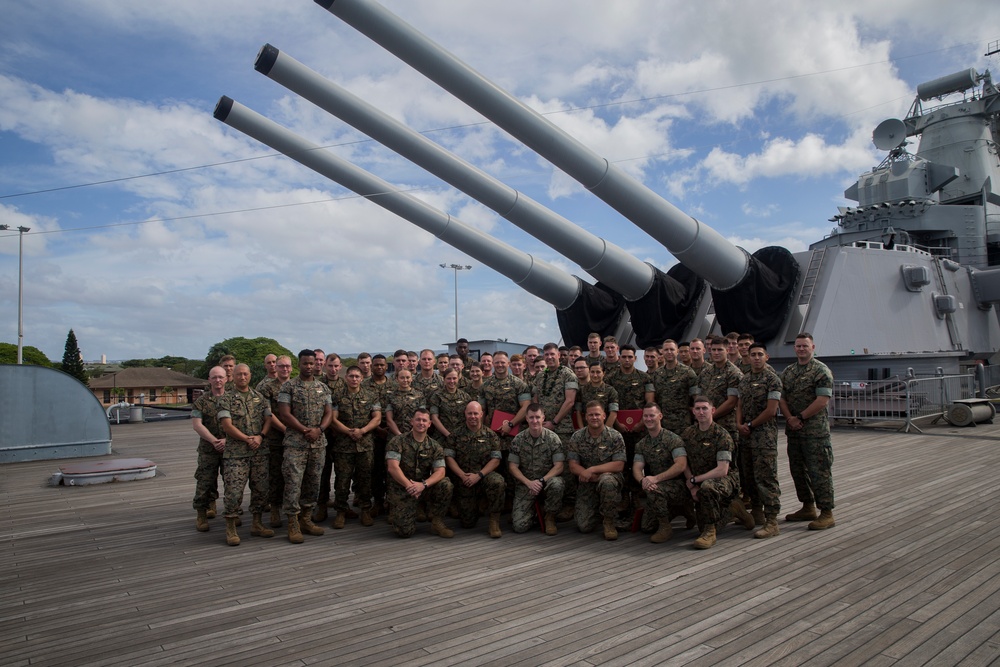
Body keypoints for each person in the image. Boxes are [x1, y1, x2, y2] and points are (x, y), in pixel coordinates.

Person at [779, 333, 836, 530]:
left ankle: (826, 512)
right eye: (798, 346)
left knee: (819, 472)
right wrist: (789, 418)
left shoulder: (821, 371)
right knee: (798, 471)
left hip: (814, 432)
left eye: (805, 346)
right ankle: (807, 506)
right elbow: (782, 398)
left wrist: (800, 417)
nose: (801, 349)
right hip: (794, 431)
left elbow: (822, 401)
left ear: (813, 347)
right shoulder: (788, 372)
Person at [276, 349, 333, 543]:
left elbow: (329, 412)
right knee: (293, 483)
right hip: (295, 444)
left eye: (312, 363)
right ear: (299, 364)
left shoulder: (323, 388)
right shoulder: (288, 387)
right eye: (305, 363)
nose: (309, 366)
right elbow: (284, 413)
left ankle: (306, 518)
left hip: (318, 444)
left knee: (313, 482)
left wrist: (320, 429)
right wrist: (304, 430)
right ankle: (293, 522)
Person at [682, 396, 754, 549]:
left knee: (707, 487)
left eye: (705, 408)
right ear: (693, 412)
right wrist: (691, 483)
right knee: (699, 518)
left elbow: (722, 470)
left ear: (712, 410)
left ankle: (710, 531)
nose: (701, 412)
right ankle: (733, 510)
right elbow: (684, 463)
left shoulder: (722, 435)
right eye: (698, 409)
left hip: (725, 479)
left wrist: (696, 481)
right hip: (698, 480)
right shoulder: (688, 434)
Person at [218, 364, 273, 546]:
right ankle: (231, 527)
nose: (242, 377)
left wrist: (260, 436)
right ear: (232, 376)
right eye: (239, 374)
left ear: (250, 376)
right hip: (236, 453)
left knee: (261, 490)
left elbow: (268, 419)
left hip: (259, 450)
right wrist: (247, 439)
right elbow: (227, 425)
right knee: (234, 491)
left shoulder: (260, 397)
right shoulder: (226, 399)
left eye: (245, 374)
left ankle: (257, 524)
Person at [736, 342, 783, 538]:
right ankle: (757, 512)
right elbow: (739, 405)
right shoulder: (744, 380)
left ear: (766, 357)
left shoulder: (772, 380)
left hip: (764, 437)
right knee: (749, 476)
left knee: (766, 478)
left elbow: (771, 410)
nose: (756, 357)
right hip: (746, 436)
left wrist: (751, 425)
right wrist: (739, 424)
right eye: (753, 354)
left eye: (759, 354)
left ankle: (772, 520)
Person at [385, 409, 455, 538]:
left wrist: (423, 485)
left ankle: (437, 522)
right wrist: (410, 486)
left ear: (430, 424)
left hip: (423, 487)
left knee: (446, 484)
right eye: (418, 419)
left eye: (424, 420)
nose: (421, 423)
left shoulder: (435, 446)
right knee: (404, 532)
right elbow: (392, 468)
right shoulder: (397, 441)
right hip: (402, 489)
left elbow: (440, 471)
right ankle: (410, 510)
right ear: (412, 422)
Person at [329, 365, 381, 528]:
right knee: (342, 480)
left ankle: (365, 510)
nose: (354, 379)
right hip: (343, 446)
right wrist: (349, 432)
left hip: (365, 445)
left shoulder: (371, 395)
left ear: (361, 378)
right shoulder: (337, 396)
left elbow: (377, 418)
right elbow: (333, 418)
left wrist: (362, 431)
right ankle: (341, 511)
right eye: (351, 376)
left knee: (365, 479)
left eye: (357, 376)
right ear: (346, 378)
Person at [444, 401, 505, 537]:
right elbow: (449, 458)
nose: (473, 416)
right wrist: (462, 475)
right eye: (470, 413)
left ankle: (494, 521)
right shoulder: (455, 435)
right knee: (467, 523)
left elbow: (496, 460)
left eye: (476, 413)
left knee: (498, 482)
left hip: (483, 476)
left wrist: (479, 475)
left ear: (481, 414)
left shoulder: (490, 435)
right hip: (464, 479)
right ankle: (478, 505)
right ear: (465, 414)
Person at [567, 401, 626, 540]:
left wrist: (592, 470)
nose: (594, 417)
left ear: (604, 415)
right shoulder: (577, 437)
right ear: (585, 417)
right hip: (587, 482)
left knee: (607, 481)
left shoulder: (615, 436)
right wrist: (588, 474)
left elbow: (618, 465)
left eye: (597, 414)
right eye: (591, 415)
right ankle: (600, 511)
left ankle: (609, 521)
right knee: (584, 526)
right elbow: (573, 465)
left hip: (609, 480)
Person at [633, 403, 689, 543]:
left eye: (652, 415)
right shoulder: (641, 444)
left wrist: (655, 479)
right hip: (655, 485)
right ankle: (677, 511)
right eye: (645, 416)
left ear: (660, 416)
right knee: (647, 527)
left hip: (678, 486)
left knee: (654, 491)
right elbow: (637, 468)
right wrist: (643, 481)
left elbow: (681, 465)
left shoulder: (673, 439)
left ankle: (666, 527)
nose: (648, 419)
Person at [508, 403, 565, 535]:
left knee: (557, 484)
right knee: (519, 527)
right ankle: (531, 512)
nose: (535, 421)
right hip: (526, 484)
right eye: (531, 417)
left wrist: (541, 481)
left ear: (543, 418)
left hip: (546, 483)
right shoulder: (518, 440)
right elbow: (512, 467)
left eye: (537, 417)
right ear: (526, 418)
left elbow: (559, 466)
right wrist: (529, 483)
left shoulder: (553, 439)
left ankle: (549, 517)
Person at [191, 366, 228, 532]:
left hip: (230, 448)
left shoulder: (234, 399)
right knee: (205, 482)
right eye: (214, 377)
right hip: (208, 448)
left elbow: (242, 424)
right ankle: (201, 513)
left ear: (226, 378)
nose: (218, 380)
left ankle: (232, 514)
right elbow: (197, 425)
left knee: (232, 483)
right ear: (209, 379)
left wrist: (227, 440)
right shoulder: (202, 401)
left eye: (221, 377)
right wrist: (214, 441)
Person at [258, 355, 292, 527]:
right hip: (275, 438)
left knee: (293, 475)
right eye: (281, 366)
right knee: (275, 475)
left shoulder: (295, 385)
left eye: (287, 366)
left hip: (295, 439)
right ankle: (274, 509)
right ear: (275, 368)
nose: (284, 369)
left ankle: (293, 509)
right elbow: (268, 413)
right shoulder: (266, 387)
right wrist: (286, 429)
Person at [652, 339, 699, 435]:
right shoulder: (657, 373)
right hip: (662, 423)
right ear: (662, 352)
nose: (669, 352)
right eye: (666, 350)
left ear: (677, 351)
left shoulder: (688, 372)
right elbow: (654, 399)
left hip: (682, 424)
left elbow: (696, 398)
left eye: (672, 349)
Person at [428, 369, 472, 439]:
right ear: (444, 379)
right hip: (442, 436)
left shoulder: (465, 396)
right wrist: (448, 435)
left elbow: (469, 417)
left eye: (454, 378)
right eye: (449, 378)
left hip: (462, 436)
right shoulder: (437, 396)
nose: (452, 381)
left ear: (458, 379)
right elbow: (434, 418)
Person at [575, 360, 618, 428]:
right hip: (586, 430)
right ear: (589, 372)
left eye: (598, 372)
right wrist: (582, 430)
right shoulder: (582, 390)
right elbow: (578, 412)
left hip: (605, 430)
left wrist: (604, 432)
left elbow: (613, 413)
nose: (595, 375)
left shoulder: (611, 391)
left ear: (603, 373)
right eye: (592, 372)